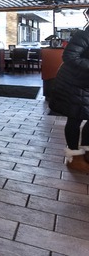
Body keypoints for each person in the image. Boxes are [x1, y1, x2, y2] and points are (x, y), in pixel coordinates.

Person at [49, 16, 89, 172]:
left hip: (85, 83)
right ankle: (74, 156)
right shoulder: (84, 35)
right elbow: (69, 56)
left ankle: (86, 152)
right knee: (75, 118)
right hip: (73, 83)